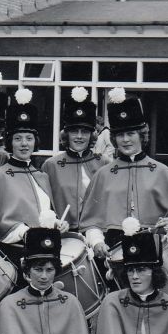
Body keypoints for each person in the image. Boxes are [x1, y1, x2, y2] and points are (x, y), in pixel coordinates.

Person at [81, 87, 168, 258]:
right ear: (114, 138)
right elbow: (91, 222)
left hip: (153, 248)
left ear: (142, 135)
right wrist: (97, 242)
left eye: (131, 133)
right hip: (112, 251)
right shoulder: (103, 174)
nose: (126, 139)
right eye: (120, 134)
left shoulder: (162, 172)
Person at [0, 87, 68, 268]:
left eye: (29, 138)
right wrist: (25, 233)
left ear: (35, 142)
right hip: (15, 254)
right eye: (18, 138)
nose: (24, 144)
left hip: (45, 251)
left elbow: (44, 213)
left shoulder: (42, 176)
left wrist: (57, 223)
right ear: (10, 142)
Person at [42, 87, 108, 230]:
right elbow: (45, 205)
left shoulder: (103, 162)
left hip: (99, 232)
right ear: (66, 134)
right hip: (64, 234)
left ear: (92, 135)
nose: (79, 136)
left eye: (84, 131)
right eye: (74, 131)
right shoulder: (51, 165)